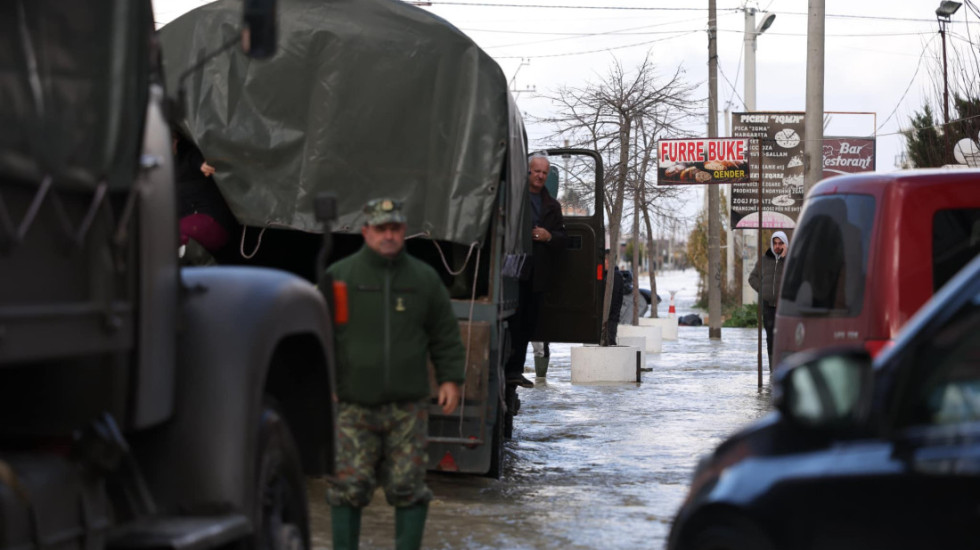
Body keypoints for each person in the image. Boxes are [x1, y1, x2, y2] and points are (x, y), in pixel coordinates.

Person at [325, 198, 465, 550]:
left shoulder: (423, 279)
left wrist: (450, 378)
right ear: (366, 231)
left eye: (395, 229)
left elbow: (444, 332)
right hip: (353, 405)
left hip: (407, 406)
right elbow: (319, 334)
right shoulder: (341, 278)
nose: (388, 235)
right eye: (381, 229)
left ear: (403, 231)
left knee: (408, 487)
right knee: (348, 487)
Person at [504, 154, 567, 388]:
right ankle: (506, 368)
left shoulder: (552, 205)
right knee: (511, 320)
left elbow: (562, 238)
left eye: (544, 172)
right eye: (536, 171)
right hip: (511, 269)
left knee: (528, 324)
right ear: (528, 171)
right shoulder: (512, 199)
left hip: (537, 272)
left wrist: (548, 236)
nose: (540, 176)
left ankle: (515, 371)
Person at [749, 230, 789, 371]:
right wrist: (763, 290)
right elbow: (752, 278)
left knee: (785, 336)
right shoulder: (764, 260)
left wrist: (785, 258)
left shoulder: (791, 260)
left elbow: (795, 278)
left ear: (785, 244)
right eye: (775, 243)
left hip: (785, 306)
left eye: (780, 243)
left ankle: (785, 366)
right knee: (770, 337)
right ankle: (773, 369)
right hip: (768, 306)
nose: (777, 246)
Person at [605, 250, 625, 344]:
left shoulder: (615, 276)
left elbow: (613, 300)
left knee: (610, 341)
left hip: (611, 319)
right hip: (609, 319)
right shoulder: (610, 275)